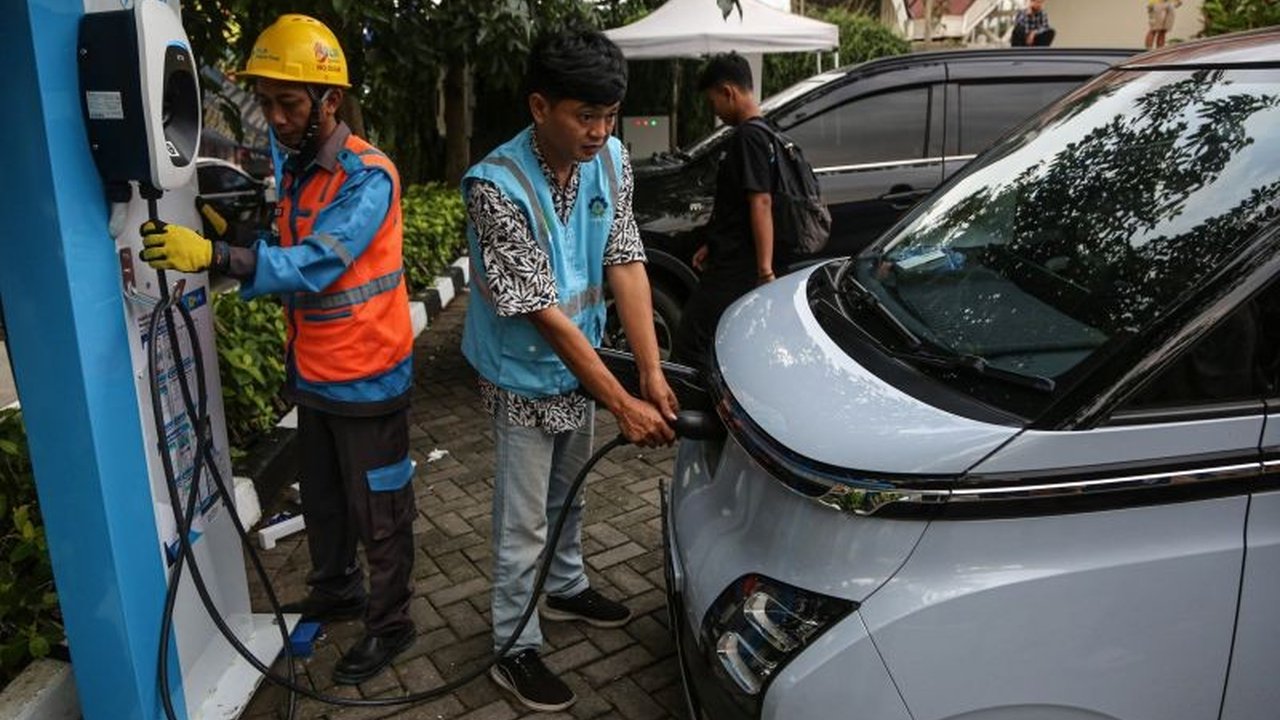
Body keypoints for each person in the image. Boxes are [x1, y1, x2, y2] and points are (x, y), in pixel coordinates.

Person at [138, 14, 418, 686]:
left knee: (379, 512)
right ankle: (337, 590)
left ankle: (393, 623)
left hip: (369, 378)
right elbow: (286, 246)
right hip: (317, 375)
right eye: (266, 103)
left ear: (329, 100)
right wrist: (236, 230)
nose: (275, 116)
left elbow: (320, 262)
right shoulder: (296, 171)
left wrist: (219, 255)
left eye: (287, 102)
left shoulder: (366, 175)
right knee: (323, 501)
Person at [460, 28, 678, 713]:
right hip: (523, 375)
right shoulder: (494, 187)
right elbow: (541, 311)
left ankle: (567, 584)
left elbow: (625, 258)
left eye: (609, 115)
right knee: (522, 521)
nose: (600, 130)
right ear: (538, 106)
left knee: (571, 493)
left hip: (580, 370)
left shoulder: (612, 159)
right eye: (584, 115)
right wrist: (621, 400)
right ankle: (514, 643)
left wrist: (651, 371)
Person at [672, 53, 777, 373]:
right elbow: (739, 207)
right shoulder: (764, 134)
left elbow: (761, 202)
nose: (714, 110)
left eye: (713, 100)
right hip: (730, 258)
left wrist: (765, 272)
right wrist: (711, 244)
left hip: (735, 267)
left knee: (692, 341)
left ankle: (697, 415)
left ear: (729, 92)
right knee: (721, 341)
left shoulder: (749, 137)